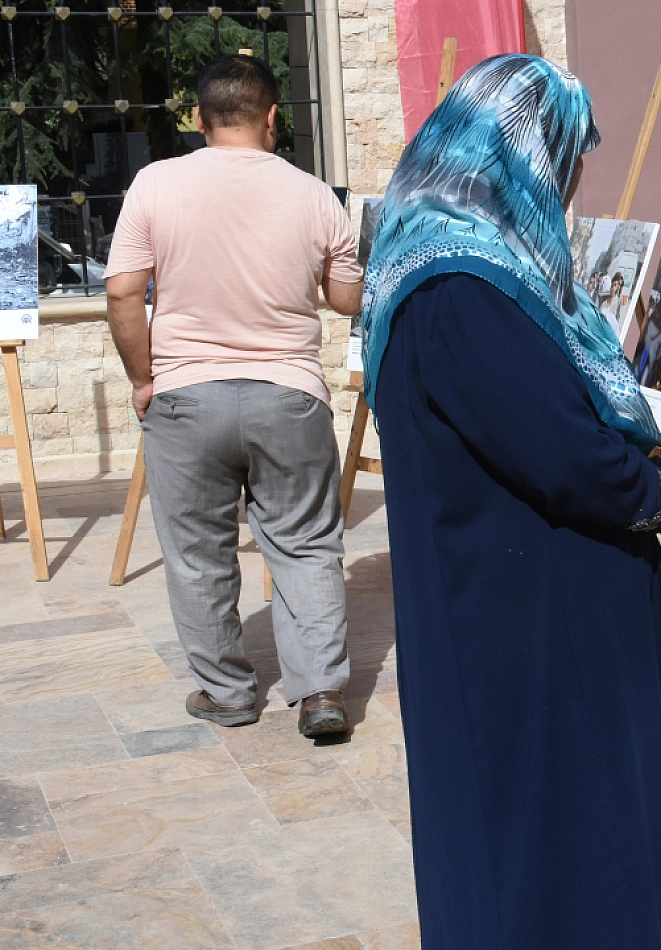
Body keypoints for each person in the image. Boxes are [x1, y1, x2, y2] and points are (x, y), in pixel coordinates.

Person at [358, 55, 661, 949]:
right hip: (529, 640)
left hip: (511, 614)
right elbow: (564, 455)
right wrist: (660, 493)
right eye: (567, 162)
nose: (575, 184)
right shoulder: (461, 289)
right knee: (558, 861)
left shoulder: (438, 258)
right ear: (519, 155)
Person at [105, 54, 360, 736]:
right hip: (289, 396)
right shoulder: (314, 195)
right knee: (306, 546)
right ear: (273, 117)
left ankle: (227, 692)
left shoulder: (154, 184)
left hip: (186, 396)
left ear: (197, 118)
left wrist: (141, 379)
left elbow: (123, 290)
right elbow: (345, 298)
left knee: (197, 553)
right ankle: (322, 694)